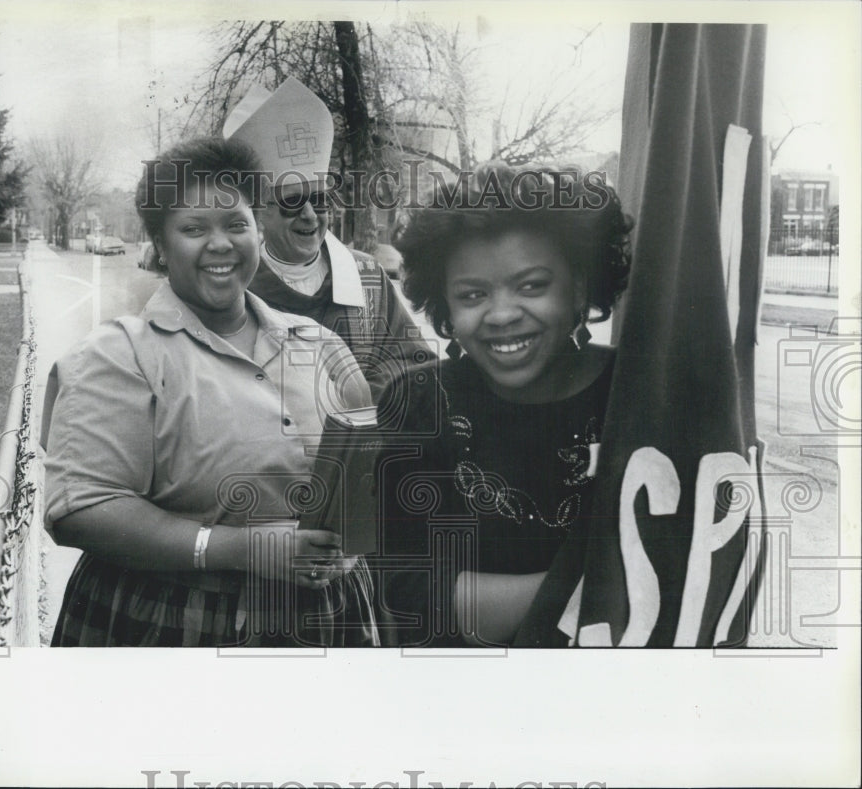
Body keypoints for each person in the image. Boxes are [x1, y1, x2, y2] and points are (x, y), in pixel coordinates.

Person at [40, 137, 380, 647]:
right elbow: (80, 510)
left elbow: (367, 469)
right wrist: (243, 549)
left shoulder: (321, 344)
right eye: (194, 229)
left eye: (235, 224)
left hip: (327, 618)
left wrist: (351, 542)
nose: (219, 244)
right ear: (159, 244)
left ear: (258, 232)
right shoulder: (118, 355)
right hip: (173, 621)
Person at [378, 162, 633, 647]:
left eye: (532, 285)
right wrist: (590, 589)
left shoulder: (633, 394)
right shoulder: (418, 403)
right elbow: (410, 594)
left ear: (579, 285)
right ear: (446, 308)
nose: (501, 315)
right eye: (472, 295)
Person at [223, 77, 429, 399]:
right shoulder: (237, 288)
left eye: (318, 200)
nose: (309, 215)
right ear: (260, 210)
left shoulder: (366, 277)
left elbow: (417, 365)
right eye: (292, 203)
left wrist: (363, 398)